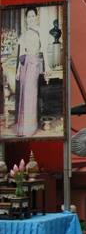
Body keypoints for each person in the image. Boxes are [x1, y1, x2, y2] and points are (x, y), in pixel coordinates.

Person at [14, 7, 44, 137]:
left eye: (33, 16)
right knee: (25, 95)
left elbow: (45, 55)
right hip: (25, 65)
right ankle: (25, 127)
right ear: (26, 19)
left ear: (36, 17)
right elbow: (21, 54)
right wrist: (17, 71)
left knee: (32, 94)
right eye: (29, 17)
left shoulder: (40, 32)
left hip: (35, 64)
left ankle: (31, 127)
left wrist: (47, 69)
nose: (31, 19)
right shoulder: (24, 34)